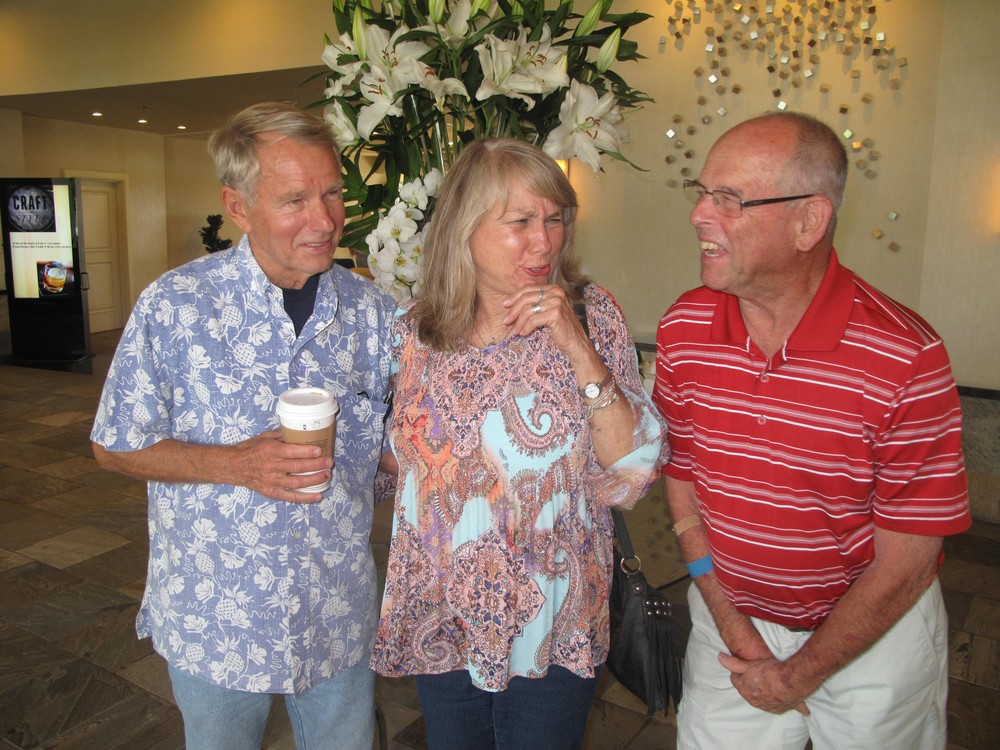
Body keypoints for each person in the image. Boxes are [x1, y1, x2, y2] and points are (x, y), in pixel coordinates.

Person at [654, 111, 971, 750]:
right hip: (729, 626)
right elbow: (683, 482)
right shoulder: (684, 328)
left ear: (809, 221)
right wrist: (733, 625)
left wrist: (796, 676)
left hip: (873, 641)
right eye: (702, 192)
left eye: (730, 199)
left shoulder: (905, 357)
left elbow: (907, 563)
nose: (698, 215)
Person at [90, 102, 394, 750]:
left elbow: (388, 454)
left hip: (335, 610)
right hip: (217, 617)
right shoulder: (175, 306)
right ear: (238, 207)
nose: (325, 220)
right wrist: (235, 464)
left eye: (332, 193)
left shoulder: (373, 313)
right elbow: (114, 444)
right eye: (295, 201)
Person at [370, 138, 667, 749]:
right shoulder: (415, 331)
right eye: (521, 222)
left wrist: (577, 348)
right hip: (443, 618)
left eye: (555, 219)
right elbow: (397, 459)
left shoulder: (591, 314)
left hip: (553, 621)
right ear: (464, 226)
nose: (545, 241)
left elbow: (635, 466)